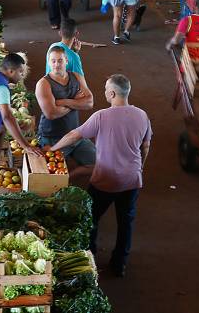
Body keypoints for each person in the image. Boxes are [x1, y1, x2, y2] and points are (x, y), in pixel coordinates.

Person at [50, 74, 152, 277]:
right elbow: (146, 146)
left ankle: (90, 256)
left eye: (106, 89)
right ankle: (119, 264)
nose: (104, 91)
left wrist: (53, 149)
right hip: (132, 180)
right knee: (126, 222)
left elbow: (74, 135)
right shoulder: (142, 115)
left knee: (91, 218)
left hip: (105, 181)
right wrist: (139, 168)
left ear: (112, 93)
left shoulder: (101, 116)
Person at [36, 47, 95, 167]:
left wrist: (63, 102)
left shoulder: (77, 76)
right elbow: (51, 114)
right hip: (52, 138)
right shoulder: (43, 84)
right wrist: (76, 102)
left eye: (60, 60)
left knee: (100, 163)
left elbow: (89, 103)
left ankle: (75, 176)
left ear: (66, 61)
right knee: (54, 174)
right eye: (53, 61)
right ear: (48, 62)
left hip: (75, 134)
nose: (56, 64)